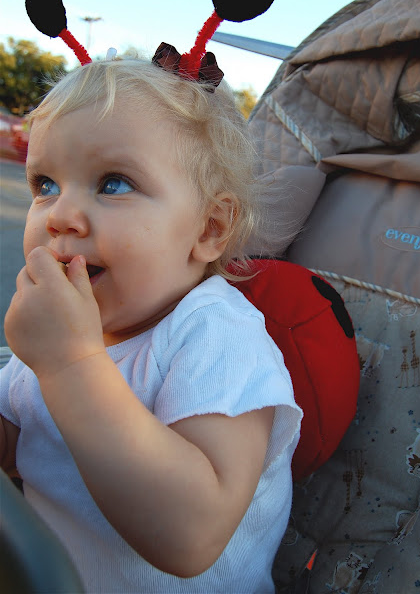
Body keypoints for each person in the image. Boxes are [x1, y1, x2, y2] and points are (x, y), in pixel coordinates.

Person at [0, 55, 302, 593]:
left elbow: (192, 536)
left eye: (113, 183)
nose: (58, 215)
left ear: (210, 228)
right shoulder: (54, 336)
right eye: (45, 183)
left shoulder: (217, 336)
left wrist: (71, 364)